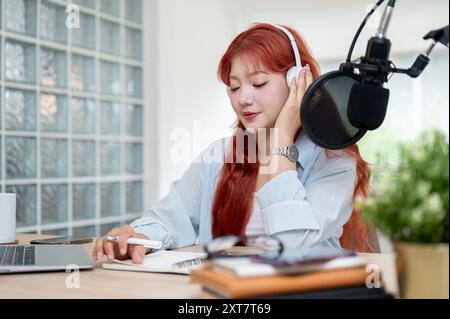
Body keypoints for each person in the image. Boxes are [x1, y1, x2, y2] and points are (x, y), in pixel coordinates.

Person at [93, 23, 378, 264]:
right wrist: (140, 235)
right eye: (235, 87)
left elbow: (294, 245)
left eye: (258, 83)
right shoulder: (220, 156)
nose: (243, 98)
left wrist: (281, 138)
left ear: (297, 82)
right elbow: (170, 217)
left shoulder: (335, 161)